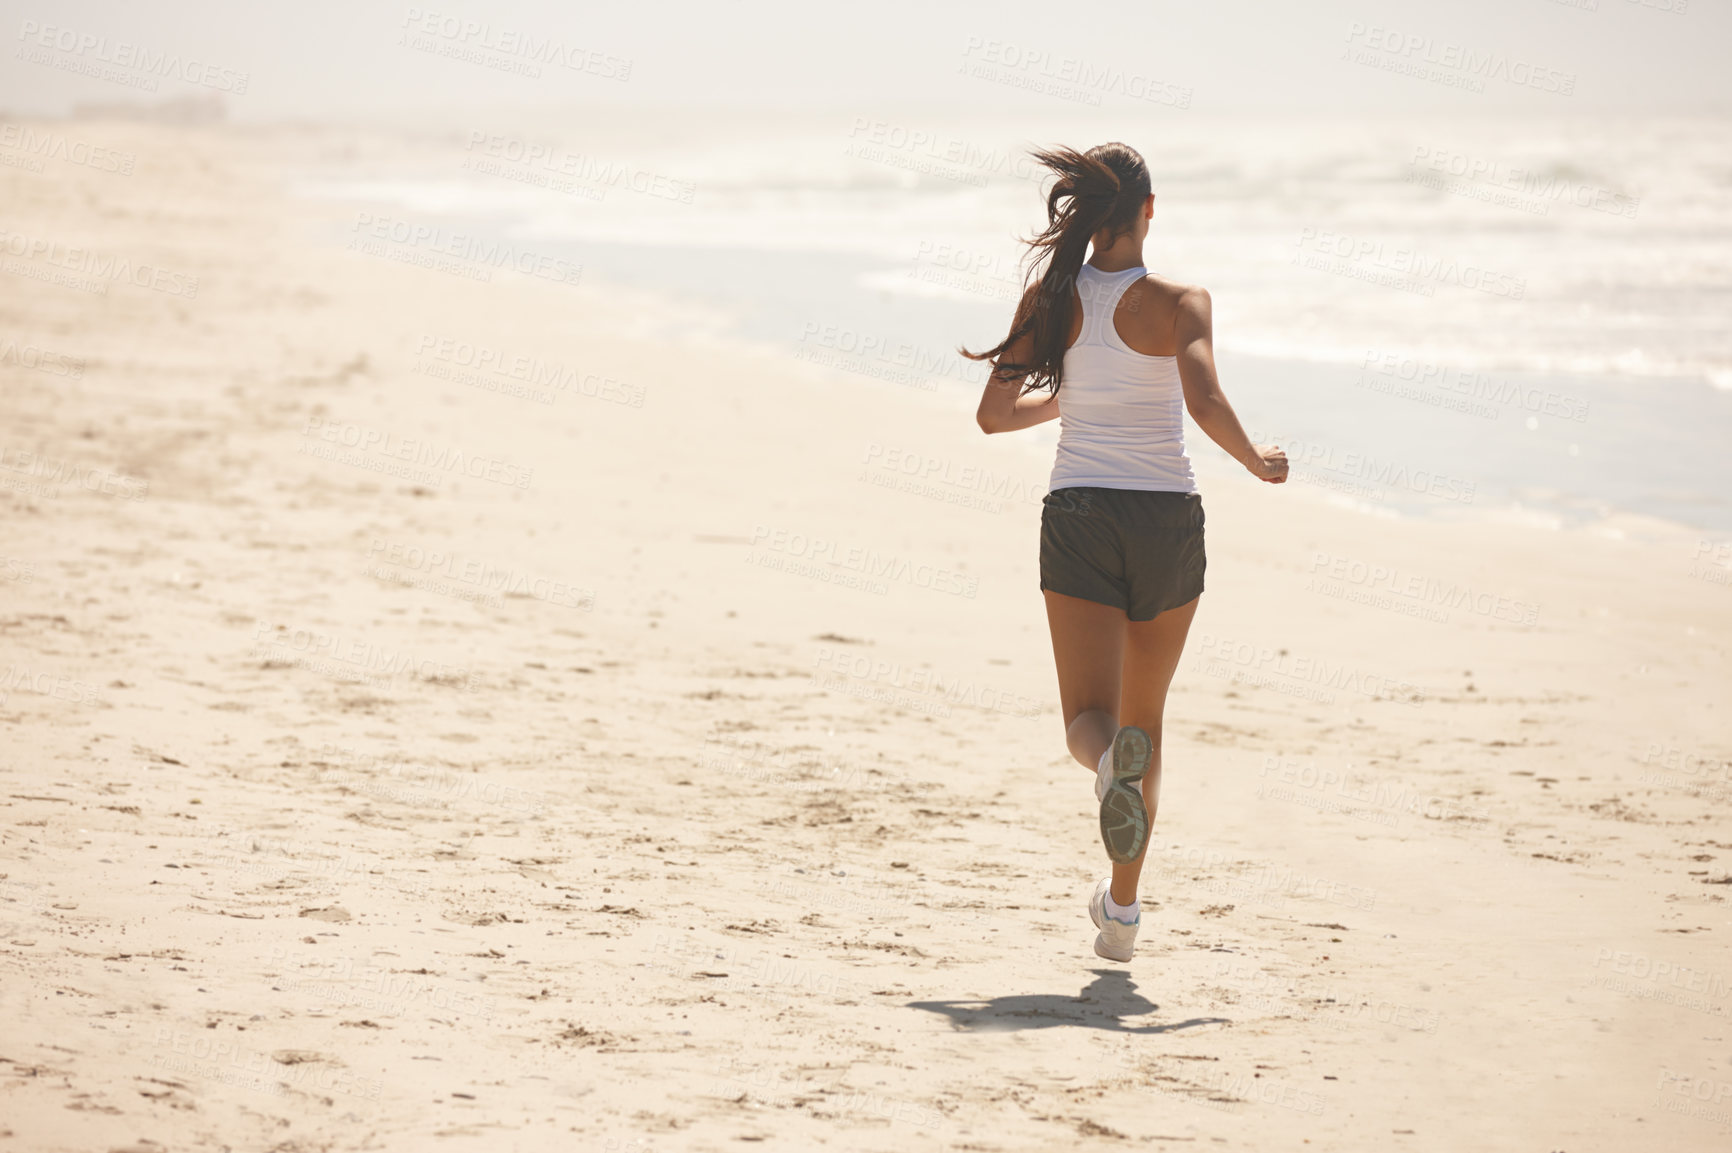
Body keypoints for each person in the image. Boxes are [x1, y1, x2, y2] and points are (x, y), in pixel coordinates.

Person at [966, 142, 1288, 963]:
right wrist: (1254, 460)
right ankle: (1122, 910)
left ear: (1088, 215)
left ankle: (1108, 765)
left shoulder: (1051, 297)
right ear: (1150, 210)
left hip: (1080, 510)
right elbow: (1203, 396)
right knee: (1149, 722)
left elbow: (994, 416)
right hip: (1168, 520)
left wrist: (1066, 403)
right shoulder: (1183, 302)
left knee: (1090, 721)